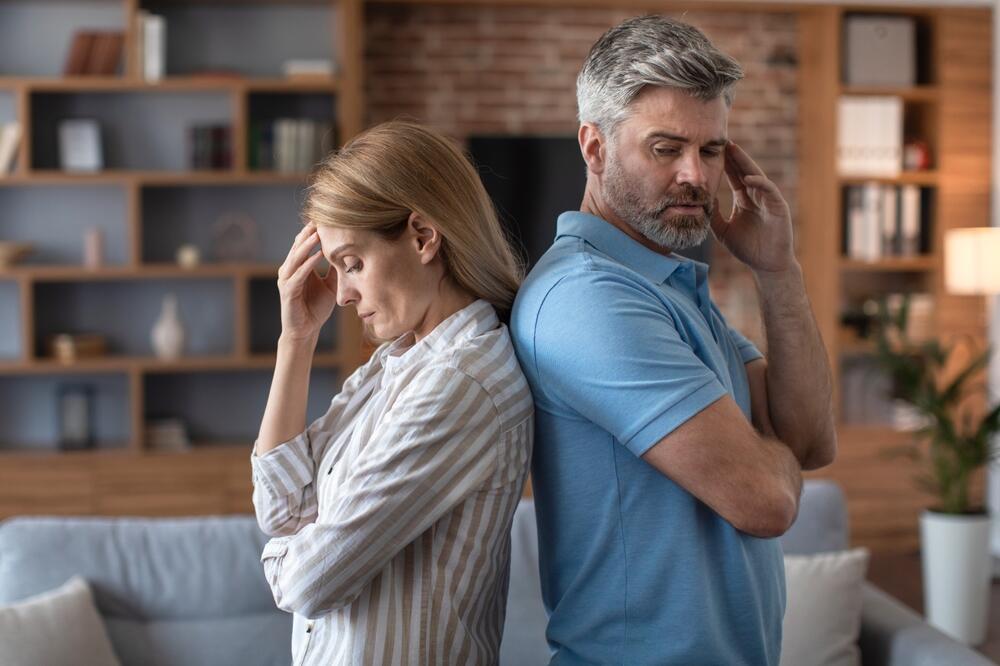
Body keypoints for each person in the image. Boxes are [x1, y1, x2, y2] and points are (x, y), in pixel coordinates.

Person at [510, 15, 837, 665]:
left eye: (711, 150)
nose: (696, 174)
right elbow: (767, 501)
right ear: (594, 148)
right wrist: (774, 459)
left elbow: (811, 438)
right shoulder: (587, 298)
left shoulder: (666, 285)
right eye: (665, 148)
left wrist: (778, 271)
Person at [251, 120, 534, 665]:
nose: (343, 294)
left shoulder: (463, 384)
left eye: (352, 263)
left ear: (423, 237)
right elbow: (280, 505)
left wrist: (282, 558)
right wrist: (297, 339)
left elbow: (309, 584)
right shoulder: (396, 363)